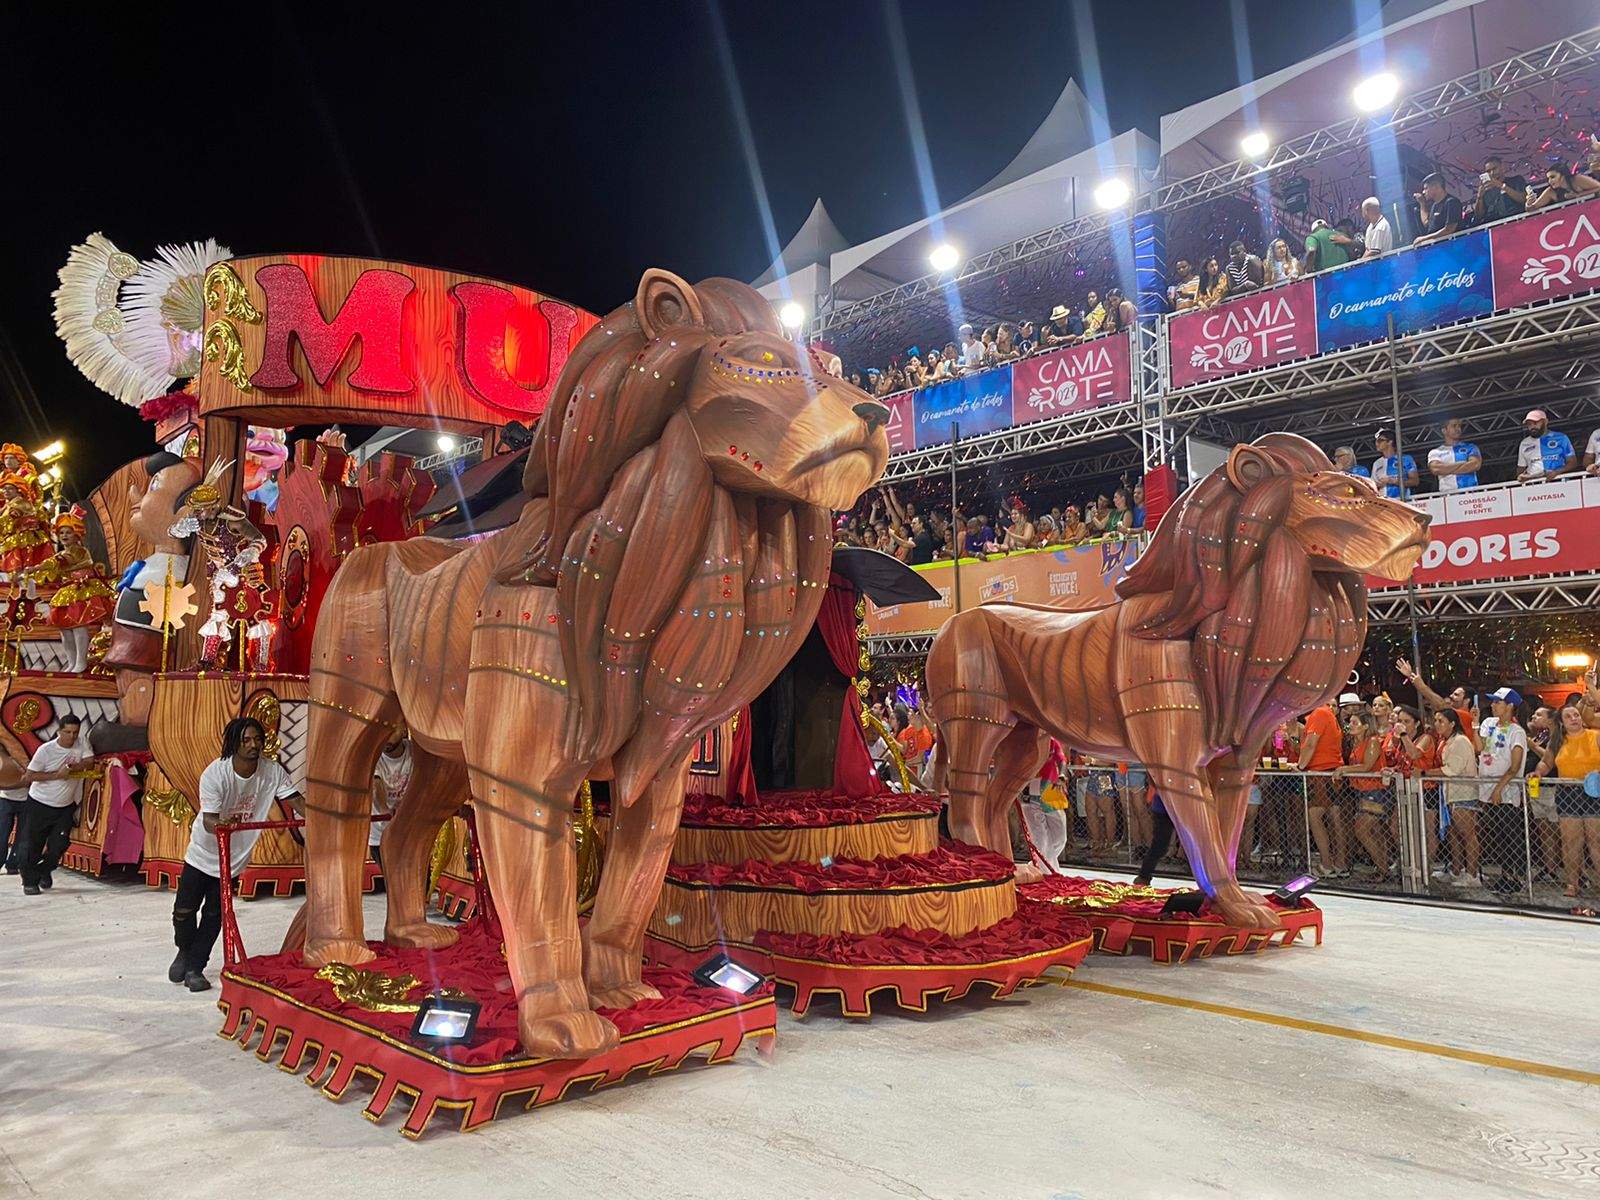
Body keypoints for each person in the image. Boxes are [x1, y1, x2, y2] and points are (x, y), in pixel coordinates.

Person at [171, 717, 304, 991]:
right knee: (183, 911)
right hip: (203, 853)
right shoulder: (215, 774)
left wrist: (323, 817)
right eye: (246, 740)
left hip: (234, 858)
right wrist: (222, 825)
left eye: (257, 739)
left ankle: (195, 967)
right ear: (233, 743)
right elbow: (209, 819)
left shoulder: (272, 771)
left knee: (214, 914)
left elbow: (296, 801)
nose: (253, 745)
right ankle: (184, 950)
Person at [16, 715, 93, 895]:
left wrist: (72, 768)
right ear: (59, 731)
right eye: (67, 732)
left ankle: (44, 870)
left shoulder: (82, 743)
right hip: (40, 803)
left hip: (65, 806)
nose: (72, 736)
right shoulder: (46, 750)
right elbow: (29, 776)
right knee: (32, 844)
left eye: (75, 732)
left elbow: (89, 762)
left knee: (60, 844)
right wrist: (56, 776)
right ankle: (30, 881)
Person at [1533, 694, 1600, 896]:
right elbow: (1546, 763)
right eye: (1569, 716)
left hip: (1593, 792)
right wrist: (1538, 772)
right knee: (1571, 841)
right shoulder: (1557, 741)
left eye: (1576, 715)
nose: (1574, 719)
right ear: (1561, 722)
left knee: (1595, 841)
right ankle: (1572, 883)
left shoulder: (1595, 735)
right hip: (1567, 793)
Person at [1477, 687, 1529, 896]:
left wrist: (1499, 789)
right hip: (1487, 787)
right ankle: (1504, 875)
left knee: (1510, 834)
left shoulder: (1517, 732)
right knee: (1497, 834)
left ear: (1510, 706)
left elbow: (1515, 766)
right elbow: (1480, 748)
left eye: (1498, 702)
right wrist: (1474, 724)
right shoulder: (1488, 723)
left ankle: (1514, 876)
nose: (1493, 705)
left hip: (1506, 792)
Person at [1429, 708, 1482, 886]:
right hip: (1451, 793)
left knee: (1467, 834)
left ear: (1452, 723)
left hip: (1463, 792)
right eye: (1435, 720)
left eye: (1441, 721)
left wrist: (1425, 772)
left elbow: (1453, 769)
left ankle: (1473, 875)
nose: (1437, 724)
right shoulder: (1447, 741)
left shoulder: (1460, 741)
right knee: (1454, 833)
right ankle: (1457, 869)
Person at [1336, 710, 1392, 880]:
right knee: (1373, 831)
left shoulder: (1373, 741)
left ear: (1366, 726)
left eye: (1355, 723)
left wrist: (1343, 769)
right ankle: (1383, 868)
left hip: (1375, 791)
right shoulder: (1356, 743)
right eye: (1350, 722)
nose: (1350, 726)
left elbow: (1367, 766)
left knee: (1362, 829)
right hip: (1362, 790)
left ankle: (1383, 868)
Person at [1298, 701, 1347, 876]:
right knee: (1335, 819)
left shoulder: (1320, 713)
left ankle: (1327, 864)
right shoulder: (1328, 714)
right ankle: (1340, 864)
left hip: (1321, 772)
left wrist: (1301, 766)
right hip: (1330, 771)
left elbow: (1311, 743)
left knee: (1315, 816)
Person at [370, 729, 413, 875]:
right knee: (395, 880)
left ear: (403, 728)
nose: (385, 736)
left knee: (419, 881)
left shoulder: (415, 752)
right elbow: (376, 785)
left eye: (392, 728)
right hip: (380, 836)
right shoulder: (373, 755)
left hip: (411, 831)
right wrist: (385, 809)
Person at [1516, 409, 1577, 480]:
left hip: (1559, 480)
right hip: (1534, 484)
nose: (1532, 427)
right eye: (1529, 424)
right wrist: (1520, 477)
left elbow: (1573, 462)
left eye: (1535, 423)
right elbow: (1521, 468)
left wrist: (1556, 472)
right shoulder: (1524, 443)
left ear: (1545, 422)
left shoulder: (1561, 437)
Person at [1426, 417, 1482, 493]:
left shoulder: (1471, 447)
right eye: (1454, 426)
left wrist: (1446, 470)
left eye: (1459, 426)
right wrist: (1462, 463)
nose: (1458, 428)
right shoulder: (1435, 452)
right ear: (1444, 430)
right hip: (1448, 495)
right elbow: (1436, 469)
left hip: (1471, 494)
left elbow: (1475, 465)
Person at [1412, 173, 1462, 247]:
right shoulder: (1434, 206)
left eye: (1426, 188)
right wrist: (1422, 204)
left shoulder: (1451, 202)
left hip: (1453, 246)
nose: (1423, 192)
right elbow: (1427, 224)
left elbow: (1449, 229)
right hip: (1440, 248)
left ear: (1436, 187)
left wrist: (1424, 239)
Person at [1473, 156, 1526, 224]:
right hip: (1494, 228)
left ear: (1502, 167)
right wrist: (1479, 197)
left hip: (1517, 222)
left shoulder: (1516, 180)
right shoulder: (1486, 190)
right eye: (1488, 171)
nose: (1492, 173)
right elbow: (1479, 216)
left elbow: (1523, 199)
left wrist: (1501, 185)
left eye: (1494, 169)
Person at [1527, 162, 1600, 211]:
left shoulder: (1577, 179)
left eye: (1552, 177)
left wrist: (1578, 195)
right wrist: (1528, 203)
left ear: (1563, 175)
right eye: (1548, 178)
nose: (1550, 181)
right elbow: (1532, 208)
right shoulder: (1550, 191)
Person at [0, 749, 27, 874]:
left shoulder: (26, 756)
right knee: (2, 833)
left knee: (22, 835)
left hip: (27, 799)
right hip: (5, 799)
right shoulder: (3, 760)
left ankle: (13, 864)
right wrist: (21, 783)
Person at [1371, 429, 1418, 499]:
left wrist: (1393, 481)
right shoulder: (1376, 463)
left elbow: (1415, 481)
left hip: (1402, 501)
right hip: (1383, 503)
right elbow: (1372, 486)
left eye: (1380, 440)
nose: (1376, 443)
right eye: (1376, 441)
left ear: (1390, 442)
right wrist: (1378, 484)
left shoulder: (1405, 459)